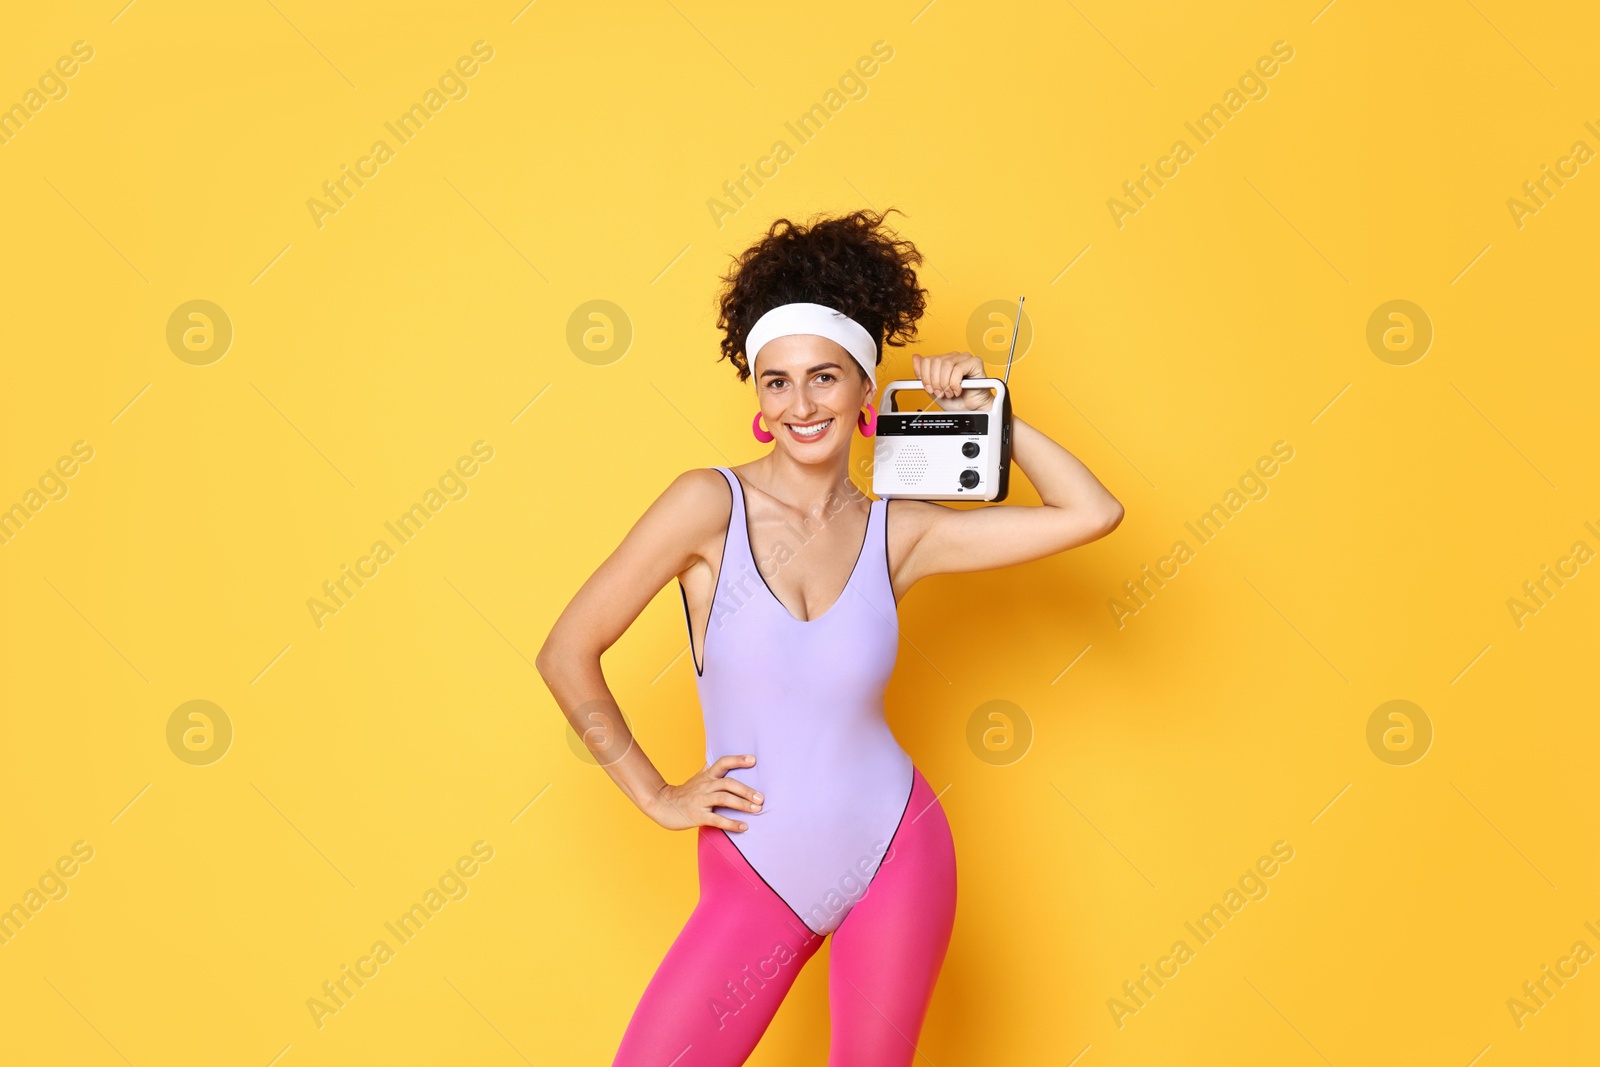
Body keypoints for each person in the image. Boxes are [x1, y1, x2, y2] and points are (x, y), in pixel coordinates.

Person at [535, 208, 1124, 1066]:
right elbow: (566, 652)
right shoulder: (707, 507)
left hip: (896, 849)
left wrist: (992, 411)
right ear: (759, 402)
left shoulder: (900, 531)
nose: (801, 403)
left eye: (824, 378)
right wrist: (656, 793)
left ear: (864, 396)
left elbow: (1092, 513)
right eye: (777, 382)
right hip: (757, 871)